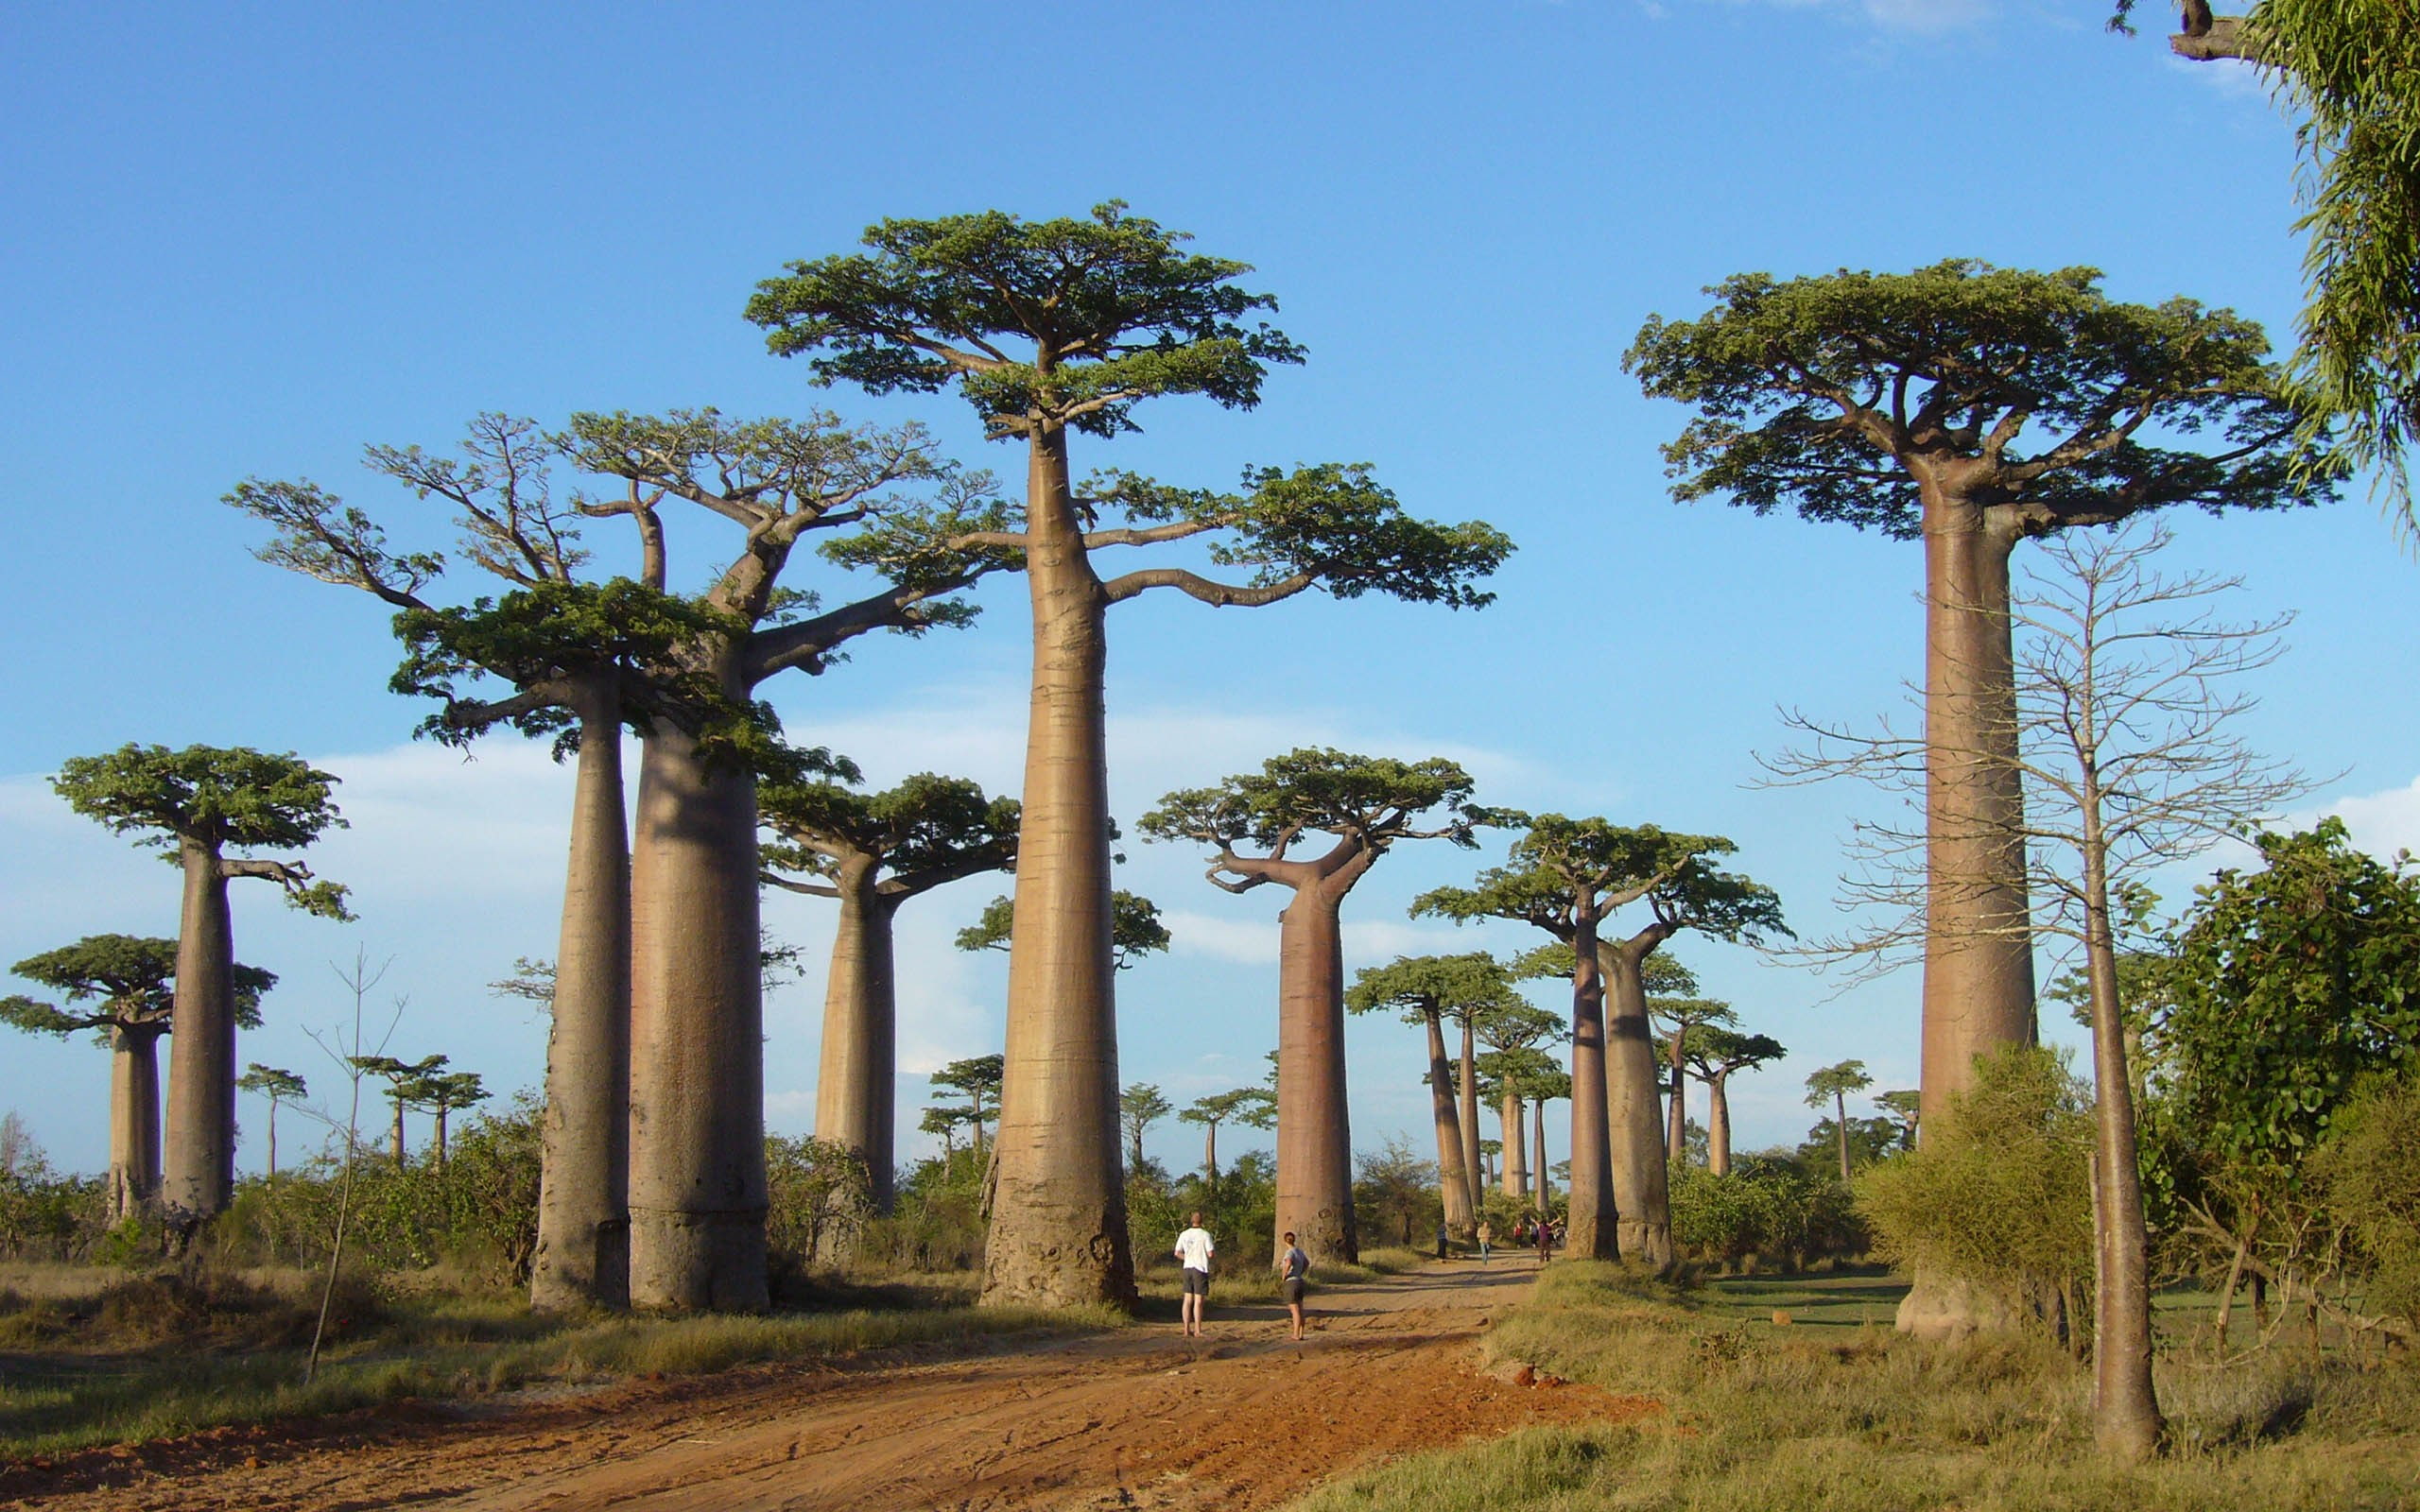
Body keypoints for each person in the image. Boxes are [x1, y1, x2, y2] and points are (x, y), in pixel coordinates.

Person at [1173, 1211, 1215, 1336]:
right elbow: (1210, 1253)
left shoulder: (1184, 1234)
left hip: (1187, 1268)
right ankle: (1197, 1330)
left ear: (1191, 1221)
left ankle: (1186, 1330)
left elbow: (1177, 1253)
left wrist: (1188, 1257)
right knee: (1198, 1301)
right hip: (1199, 1268)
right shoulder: (1205, 1235)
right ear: (1202, 1221)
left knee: (1187, 1299)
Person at [1275, 1229, 1310, 1341]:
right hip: (1300, 1281)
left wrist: (1284, 1275)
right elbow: (1307, 1263)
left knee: (1294, 1310)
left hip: (1291, 1282)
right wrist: (1300, 1272)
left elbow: (1288, 1262)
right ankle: (1301, 1333)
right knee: (1300, 1308)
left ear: (1285, 1241)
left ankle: (1295, 1334)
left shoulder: (1289, 1252)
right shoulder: (1299, 1251)